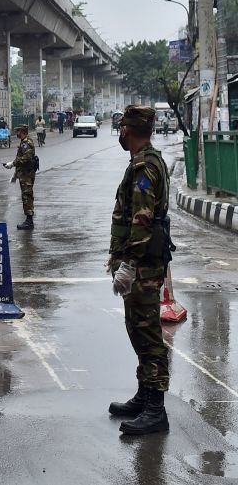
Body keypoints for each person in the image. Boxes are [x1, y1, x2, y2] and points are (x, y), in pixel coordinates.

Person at [107, 105, 173, 436]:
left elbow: (142, 218)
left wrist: (129, 264)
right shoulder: (144, 161)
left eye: (121, 128)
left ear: (128, 130)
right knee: (137, 329)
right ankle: (145, 395)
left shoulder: (146, 166)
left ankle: (156, 409)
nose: (120, 132)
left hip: (143, 265)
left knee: (147, 335)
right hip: (141, 264)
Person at [4, 124, 37, 230]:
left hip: (27, 175)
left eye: (18, 131)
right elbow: (21, 160)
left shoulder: (27, 143)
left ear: (22, 131)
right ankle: (28, 220)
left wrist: (12, 164)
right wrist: (15, 175)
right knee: (25, 197)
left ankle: (29, 221)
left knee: (27, 197)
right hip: (24, 174)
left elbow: (26, 158)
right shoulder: (23, 143)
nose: (17, 133)